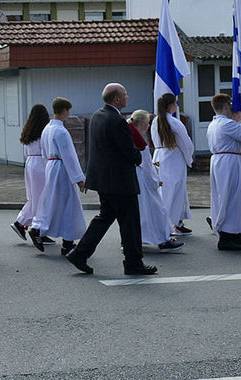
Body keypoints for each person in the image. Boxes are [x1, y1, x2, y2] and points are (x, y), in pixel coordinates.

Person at [64, 83, 156, 276]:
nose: (127, 97)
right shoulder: (117, 121)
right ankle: (133, 263)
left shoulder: (98, 115)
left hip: (104, 179)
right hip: (120, 181)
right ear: (116, 99)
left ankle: (80, 253)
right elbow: (128, 151)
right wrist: (139, 156)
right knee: (130, 222)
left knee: (105, 217)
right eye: (125, 95)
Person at [206, 93, 241, 251]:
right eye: (230, 105)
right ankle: (226, 236)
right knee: (230, 199)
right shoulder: (225, 124)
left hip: (225, 161)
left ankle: (234, 232)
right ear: (225, 106)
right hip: (228, 164)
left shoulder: (215, 124)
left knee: (234, 198)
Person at [29, 98, 86, 256]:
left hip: (51, 166)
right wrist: (79, 178)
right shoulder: (61, 131)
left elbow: (45, 152)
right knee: (68, 205)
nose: (69, 114)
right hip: (62, 169)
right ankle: (63, 241)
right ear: (65, 110)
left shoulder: (47, 128)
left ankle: (42, 229)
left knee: (54, 203)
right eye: (69, 111)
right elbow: (69, 156)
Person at [128, 110, 183, 252]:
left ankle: (131, 241)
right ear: (142, 123)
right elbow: (147, 165)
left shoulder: (127, 135)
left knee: (136, 213)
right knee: (157, 210)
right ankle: (163, 240)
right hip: (142, 179)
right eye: (147, 124)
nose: (148, 127)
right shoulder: (140, 142)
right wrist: (155, 182)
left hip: (130, 177)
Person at [151, 93, 195, 237]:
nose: (177, 105)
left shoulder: (155, 121)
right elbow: (186, 143)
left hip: (159, 157)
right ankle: (164, 227)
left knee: (165, 192)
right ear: (171, 105)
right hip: (174, 159)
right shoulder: (175, 122)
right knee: (173, 193)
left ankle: (178, 223)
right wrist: (189, 159)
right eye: (176, 103)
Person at [11, 104, 51, 243]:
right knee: (42, 199)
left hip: (30, 164)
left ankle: (22, 222)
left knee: (35, 197)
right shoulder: (44, 131)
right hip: (41, 164)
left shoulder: (28, 131)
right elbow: (47, 151)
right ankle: (37, 228)